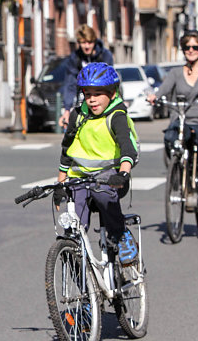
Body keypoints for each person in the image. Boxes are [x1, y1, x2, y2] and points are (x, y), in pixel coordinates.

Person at [53, 62, 138, 264]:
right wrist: (60, 183)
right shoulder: (78, 115)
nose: (91, 100)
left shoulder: (117, 116)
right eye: (87, 94)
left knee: (102, 196)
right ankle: (75, 256)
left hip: (111, 177)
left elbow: (128, 149)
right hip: (80, 177)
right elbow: (67, 149)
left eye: (98, 93)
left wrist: (123, 174)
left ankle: (121, 235)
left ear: (112, 92)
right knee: (74, 220)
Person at [147, 30, 198, 224]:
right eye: (187, 47)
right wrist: (155, 96)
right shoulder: (175, 73)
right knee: (171, 138)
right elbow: (164, 89)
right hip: (183, 120)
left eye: (195, 47)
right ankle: (180, 170)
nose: (190, 50)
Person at [58, 24, 114, 127]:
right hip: (85, 98)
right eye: (83, 43)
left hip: (103, 97)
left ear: (94, 42)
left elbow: (109, 81)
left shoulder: (105, 55)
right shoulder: (75, 58)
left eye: (89, 42)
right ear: (79, 43)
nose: (87, 46)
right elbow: (70, 83)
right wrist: (67, 109)